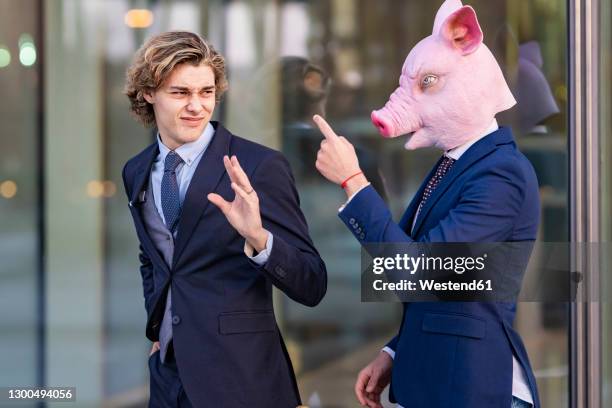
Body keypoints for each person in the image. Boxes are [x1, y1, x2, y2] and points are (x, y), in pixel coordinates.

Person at [313, 1, 540, 407]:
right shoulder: (459, 164)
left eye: (429, 81)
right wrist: (395, 352)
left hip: (466, 387)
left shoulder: (500, 174)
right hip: (436, 380)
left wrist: (354, 182)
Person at [122, 31, 327, 407]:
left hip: (243, 378)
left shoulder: (259, 166)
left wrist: (259, 239)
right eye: (180, 93)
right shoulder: (135, 172)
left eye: (206, 92)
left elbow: (312, 283)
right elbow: (153, 257)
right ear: (148, 93)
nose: (196, 107)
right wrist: (159, 325)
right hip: (167, 378)